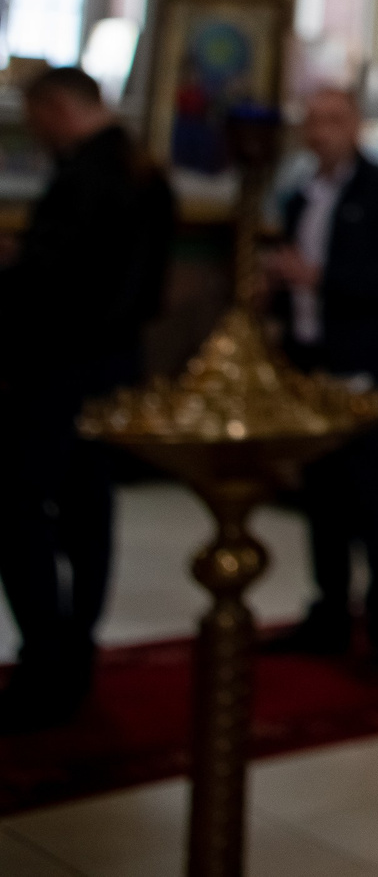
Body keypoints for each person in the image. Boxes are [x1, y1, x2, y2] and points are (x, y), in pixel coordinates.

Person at [0, 66, 174, 732]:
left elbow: (52, 281)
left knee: (20, 504)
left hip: (60, 364)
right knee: (88, 507)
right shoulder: (142, 171)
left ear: (55, 109)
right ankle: (77, 646)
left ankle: (46, 652)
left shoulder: (87, 175)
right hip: (115, 360)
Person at [261, 86, 378, 670]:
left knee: (370, 497)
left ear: (353, 126)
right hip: (312, 359)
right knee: (322, 493)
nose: (319, 130)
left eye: (331, 119)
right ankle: (328, 611)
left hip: (365, 364)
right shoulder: (301, 196)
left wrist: (319, 276)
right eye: (311, 119)